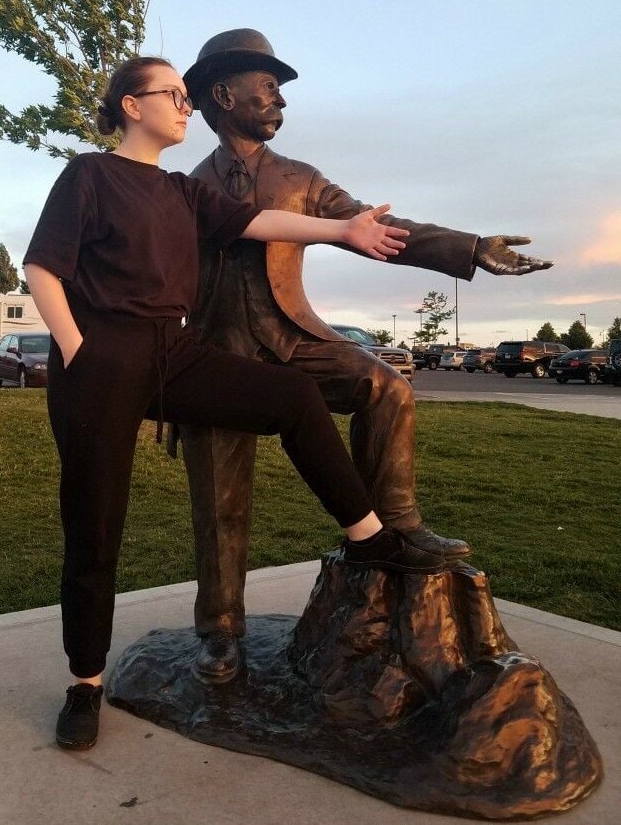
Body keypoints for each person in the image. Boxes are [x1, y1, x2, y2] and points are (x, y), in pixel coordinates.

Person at [22, 56, 447, 753]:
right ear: (133, 105)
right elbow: (42, 266)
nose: (186, 107)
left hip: (173, 349)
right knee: (96, 526)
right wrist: (77, 347)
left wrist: (345, 231)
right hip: (101, 359)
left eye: (189, 98)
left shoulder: (183, 195)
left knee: (290, 395)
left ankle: (371, 535)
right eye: (174, 95)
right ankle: (86, 682)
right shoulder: (88, 176)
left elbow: (263, 221)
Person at [177, 29, 553, 684]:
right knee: (219, 499)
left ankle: (395, 531)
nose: (279, 101)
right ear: (223, 93)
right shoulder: (184, 189)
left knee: (387, 388)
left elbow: (376, 229)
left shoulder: (300, 179)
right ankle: (220, 628)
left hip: (293, 342)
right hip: (219, 359)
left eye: (280, 92)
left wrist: (465, 248)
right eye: (266, 87)